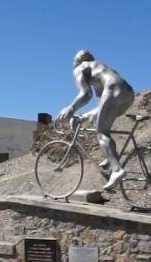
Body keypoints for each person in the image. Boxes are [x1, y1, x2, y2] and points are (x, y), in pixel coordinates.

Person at [57, 49, 135, 191]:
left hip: (113, 89)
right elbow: (101, 106)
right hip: (128, 93)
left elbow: (86, 94)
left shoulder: (81, 68)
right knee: (96, 119)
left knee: (101, 132)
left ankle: (117, 170)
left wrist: (71, 108)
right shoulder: (101, 67)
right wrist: (82, 117)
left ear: (76, 61)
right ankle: (109, 158)